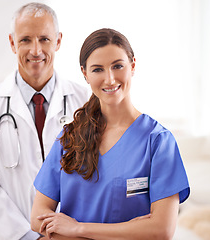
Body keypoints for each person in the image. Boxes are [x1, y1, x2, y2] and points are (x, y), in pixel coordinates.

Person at [31, 28, 190, 240]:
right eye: (97, 70)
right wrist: (126, 232)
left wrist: (78, 228)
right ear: (85, 74)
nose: (110, 79)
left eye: (118, 66)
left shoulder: (158, 142)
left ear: (132, 66)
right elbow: (38, 219)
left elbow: (162, 230)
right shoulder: (70, 138)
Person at [0, 3, 90, 240]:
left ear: (58, 41)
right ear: (12, 43)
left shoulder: (84, 101)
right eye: (25, 40)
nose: (36, 50)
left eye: (44, 39)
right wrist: (29, 236)